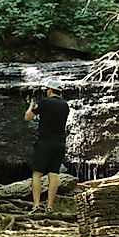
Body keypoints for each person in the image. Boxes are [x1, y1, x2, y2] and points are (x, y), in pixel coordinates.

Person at [24, 79, 69, 213]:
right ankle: (50, 206)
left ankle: (36, 205)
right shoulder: (65, 105)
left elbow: (27, 117)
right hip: (60, 143)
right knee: (54, 173)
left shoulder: (45, 102)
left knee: (37, 173)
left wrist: (31, 106)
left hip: (45, 142)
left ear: (49, 90)